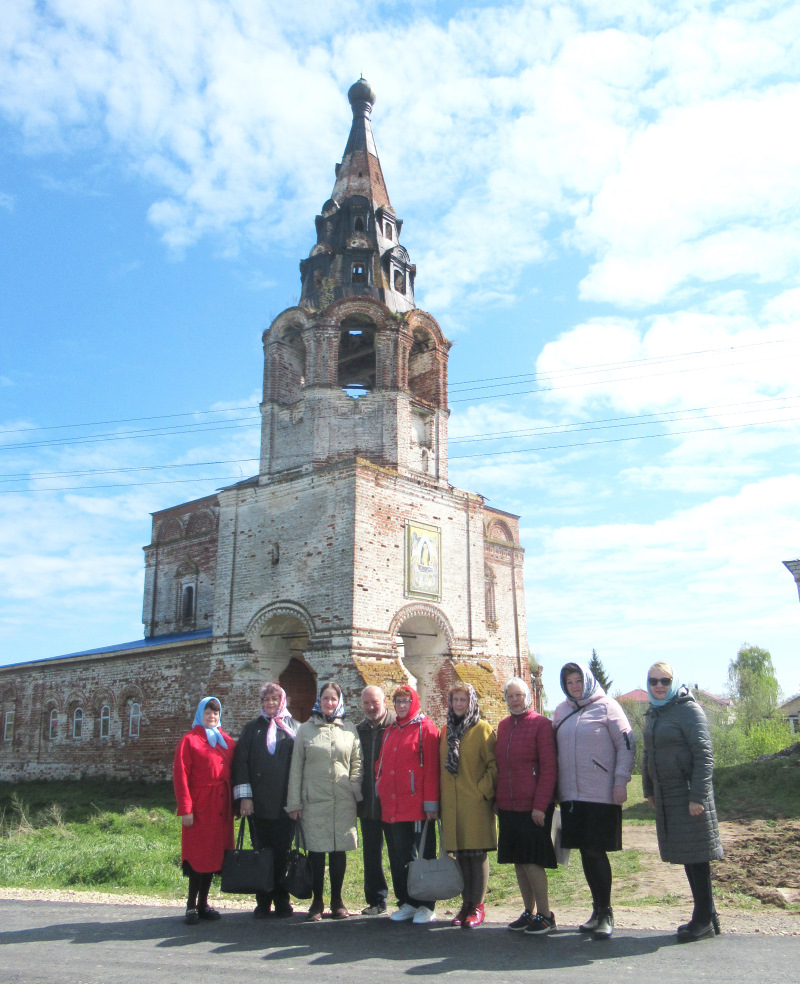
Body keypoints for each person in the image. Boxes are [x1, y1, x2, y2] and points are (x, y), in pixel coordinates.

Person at [553, 662, 635, 940]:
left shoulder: (608, 707)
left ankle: (607, 912)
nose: (574, 686)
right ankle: (596, 911)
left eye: (578, 681)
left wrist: (620, 781)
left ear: (587, 680)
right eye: (569, 683)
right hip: (571, 795)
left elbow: (626, 745)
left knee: (596, 851)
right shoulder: (562, 710)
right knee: (585, 853)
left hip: (600, 794)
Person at [642, 661, 723, 942]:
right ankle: (708, 915)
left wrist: (698, 797)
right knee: (691, 855)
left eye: (665, 680)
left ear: (674, 681)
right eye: (654, 681)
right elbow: (648, 753)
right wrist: (648, 788)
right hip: (668, 795)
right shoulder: (655, 712)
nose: (659, 686)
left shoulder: (689, 710)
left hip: (689, 795)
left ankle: (702, 920)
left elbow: (704, 756)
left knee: (697, 857)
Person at [286, 681, 363, 921]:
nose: (329, 703)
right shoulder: (306, 730)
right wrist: (294, 802)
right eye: (325, 698)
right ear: (319, 701)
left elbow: (357, 761)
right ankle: (317, 902)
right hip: (314, 800)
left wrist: (354, 785)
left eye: (333, 699)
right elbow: (296, 767)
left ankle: (337, 901)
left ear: (339, 702)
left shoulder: (349, 728)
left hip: (342, 800)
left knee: (339, 852)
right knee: (317, 852)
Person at [495, 677, 558, 935]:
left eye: (519, 695)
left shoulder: (541, 725)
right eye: (510, 696)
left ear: (528, 697)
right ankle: (528, 912)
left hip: (533, 807)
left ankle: (546, 915)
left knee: (532, 861)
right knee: (518, 862)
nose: (514, 700)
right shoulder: (503, 725)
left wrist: (541, 805)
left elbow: (549, 769)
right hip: (509, 806)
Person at [376, 685, 441, 924]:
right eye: (398, 701)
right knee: (398, 855)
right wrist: (379, 783)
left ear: (413, 702)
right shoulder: (391, 729)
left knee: (422, 856)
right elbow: (381, 763)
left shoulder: (425, 728)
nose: (402, 705)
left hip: (417, 806)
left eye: (406, 701)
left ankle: (426, 904)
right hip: (393, 805)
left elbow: (432, 769)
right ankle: (406, 902)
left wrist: (431, 803)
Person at [232, 682, 297, 918]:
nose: (270, 703)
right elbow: (242, 764)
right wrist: (245, 798)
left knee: (282, 852)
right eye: (266, 699)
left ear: (283, 701)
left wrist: (296, 802)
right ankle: (263, 899)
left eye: (274, 699)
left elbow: (299, 767)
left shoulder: (295, 728)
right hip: (258, 804)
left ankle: (282, 898)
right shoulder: (252, 729)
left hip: (285, 804)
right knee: (262, 851)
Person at [439, 682, 497, 928]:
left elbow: (494, 766)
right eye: (455, 700)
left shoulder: (482, 729)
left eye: (463, 700)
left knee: (477, 853)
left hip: (475, 803)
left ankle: (478, 905)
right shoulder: (445, 731)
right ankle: (465, 904)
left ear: (471, 702)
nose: (459, 704)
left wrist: (481, 792)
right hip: (452, 804)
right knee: (461, 855)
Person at [173, 696, 236, 925]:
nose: (212, 716)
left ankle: (203, 903)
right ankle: (190, 905)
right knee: (198, 858)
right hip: (200, 809)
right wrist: (186, 809)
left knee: (213, 858)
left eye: (216, 713)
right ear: (201, 714)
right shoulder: (190, 741)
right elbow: (181, 776)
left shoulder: (226, 741)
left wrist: (236, 804)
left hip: (221, 809)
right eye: (208, 712)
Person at [356, 685, 395, 915]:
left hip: (391, 803)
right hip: (368, 803)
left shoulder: (394, 727)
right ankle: (376, 900)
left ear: (384, 701)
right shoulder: (359, 730)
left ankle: (406, 899)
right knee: (371, 854)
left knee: (398, 852)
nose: (371, 708)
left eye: (375, 703)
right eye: (366, 704)